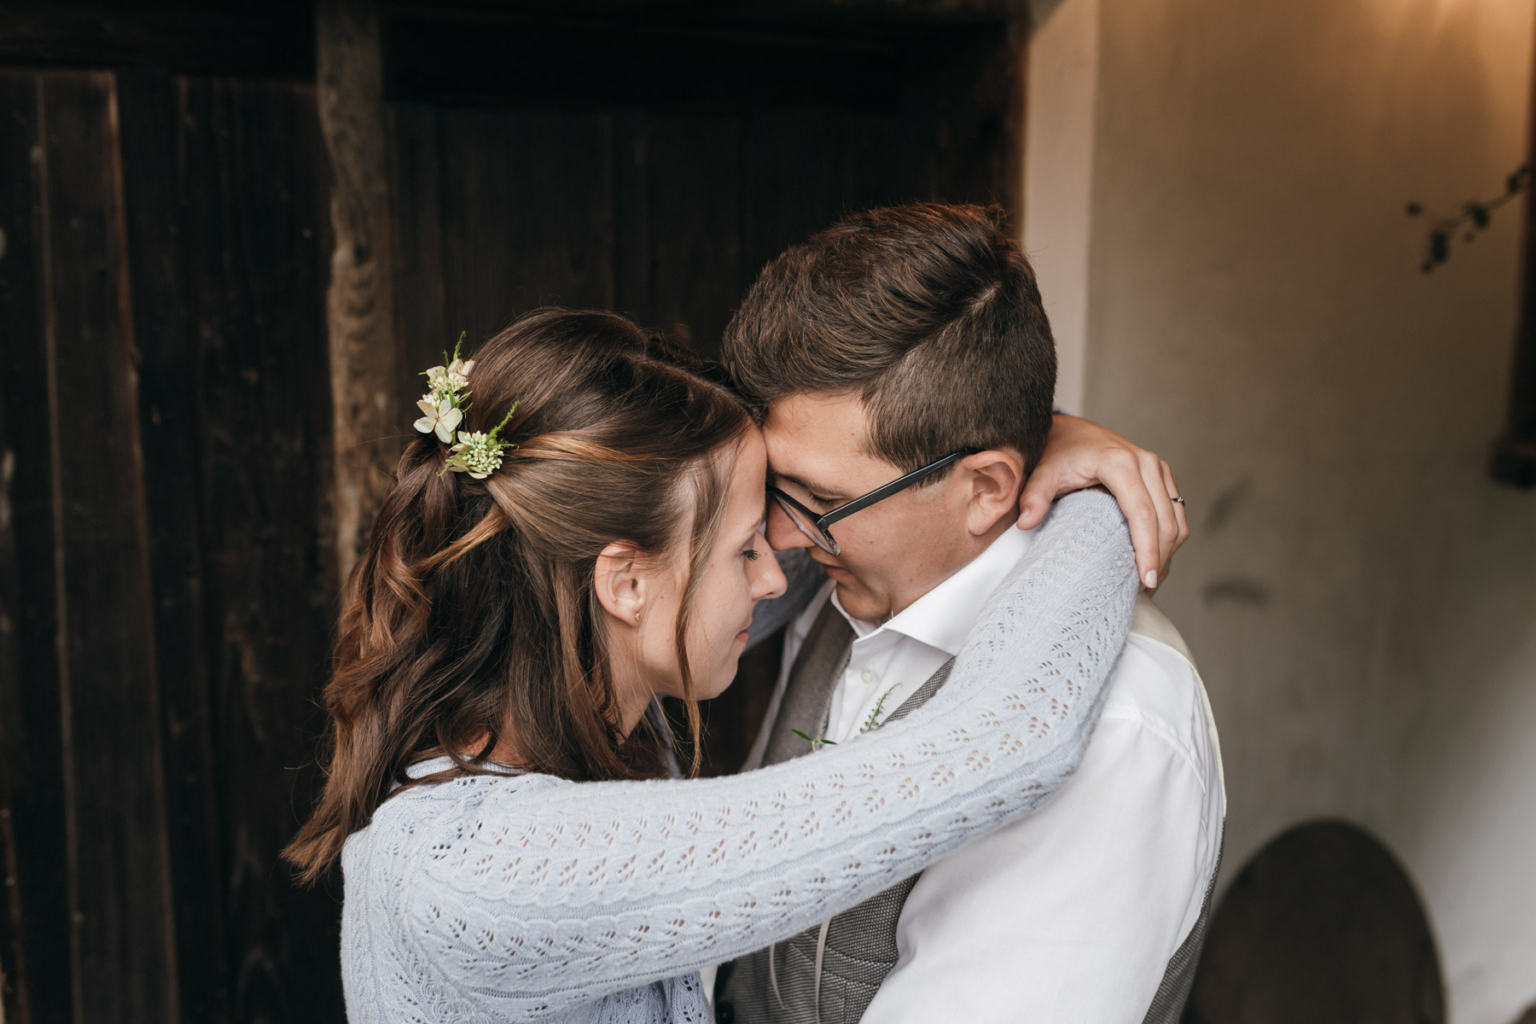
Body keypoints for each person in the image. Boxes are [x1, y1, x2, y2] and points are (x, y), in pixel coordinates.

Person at [281, 308, 1169, 1023]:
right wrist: (1088, 493)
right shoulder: (487, 874)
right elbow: (1005, 740)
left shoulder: (590, 693)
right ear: (626, 583)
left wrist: (996, 449)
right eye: (748, 546)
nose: (779, 572)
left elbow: (819, 564)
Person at [712, 203, 1223, 1024]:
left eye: (820, 500)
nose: (777, 540)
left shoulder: (1119, 730)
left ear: (986, 488)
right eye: (777, 488)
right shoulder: (846, 571)